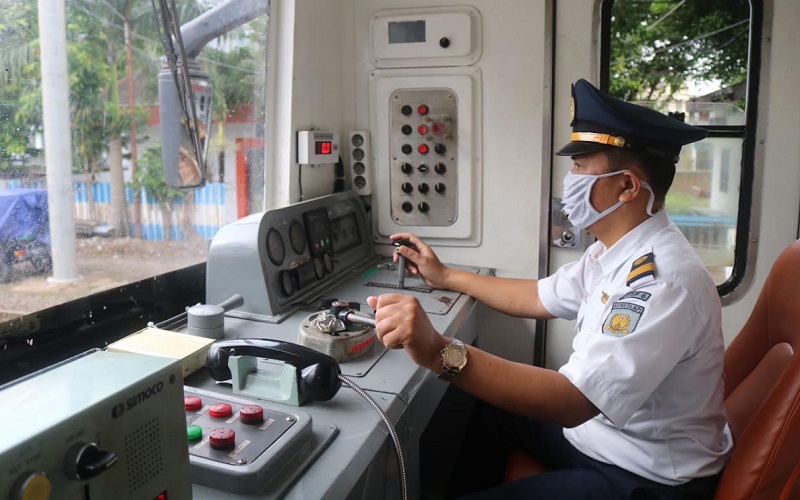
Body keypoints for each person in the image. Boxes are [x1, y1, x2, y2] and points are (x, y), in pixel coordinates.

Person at [366, 79, 733, 499]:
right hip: (601, 439)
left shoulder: (663, 280)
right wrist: (444, 275)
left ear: (628, 186)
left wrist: (437, 351)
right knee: (485, 411)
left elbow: (572, 401)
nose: (570, 179)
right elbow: (539, 296)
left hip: (644, 476)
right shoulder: (613, 252)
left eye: (581, 167)